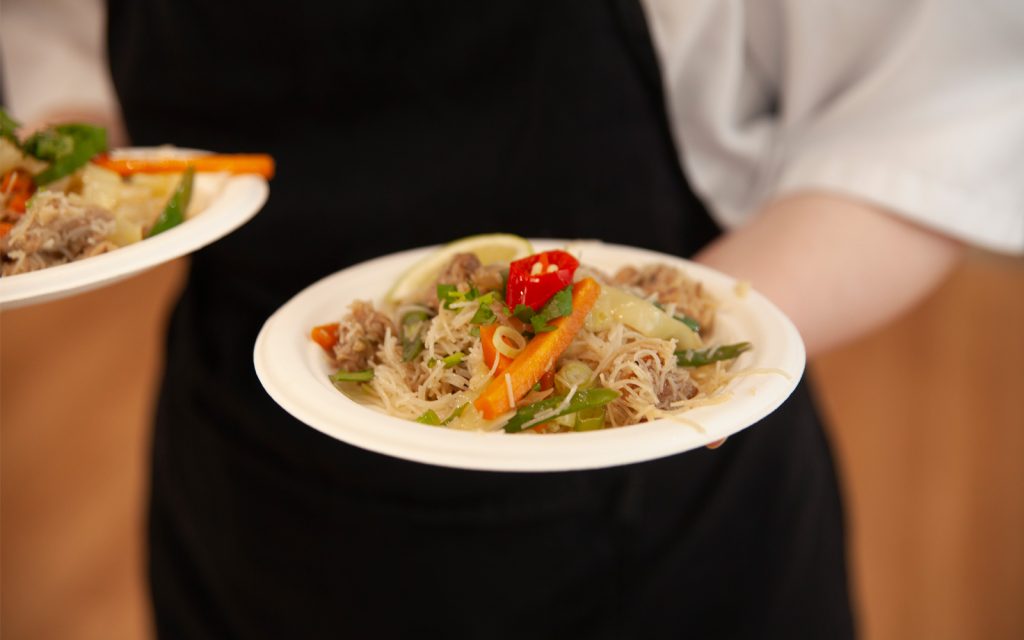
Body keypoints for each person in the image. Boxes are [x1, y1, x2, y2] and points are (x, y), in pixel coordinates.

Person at [13, 0, 1021, 637]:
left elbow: (934, 115)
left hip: (650, 501)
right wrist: (45, 191)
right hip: (253, 480)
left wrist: (658, 346)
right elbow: (59, 52)